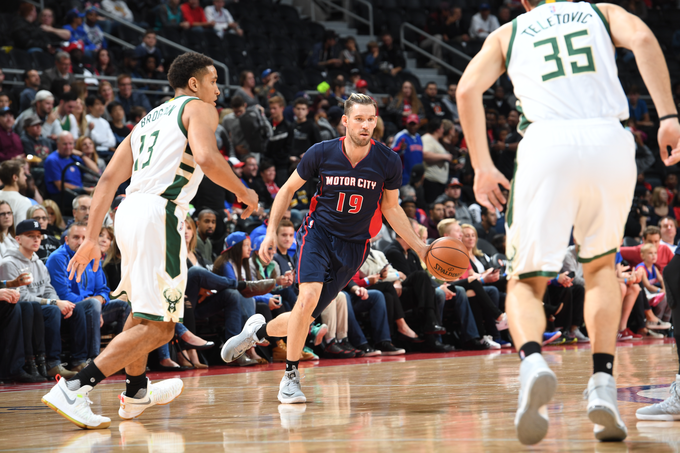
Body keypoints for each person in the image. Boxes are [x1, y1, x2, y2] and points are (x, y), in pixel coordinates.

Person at [457, 0, 680, 444]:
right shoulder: (600, 12)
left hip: (547, 142)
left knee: (525, 280)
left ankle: (534, 362)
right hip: (609, 141)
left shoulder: (510, 32)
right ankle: (602, 385)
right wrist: (669, 116)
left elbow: (466, 90)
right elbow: (643, 39)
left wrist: (482, 165)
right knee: (599, 269)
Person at [42, 52, 258, 429]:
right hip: (160, 212)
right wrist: (245, 192)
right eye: (213, 81)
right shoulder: (199, 108)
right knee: (162, 325)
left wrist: (93, 236)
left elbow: (108, 179)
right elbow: (207, 159)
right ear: (194, 83)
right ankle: (75, 387)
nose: (218, 90)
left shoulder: (146, 120)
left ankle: (137, 389)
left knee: (144, 313)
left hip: (128, 211)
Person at [221, 93, 429, 404]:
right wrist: (270, 233)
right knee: (306, 299)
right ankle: (290, 377)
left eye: (371, 119)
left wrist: (422, 248)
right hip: (317, 234)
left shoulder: (388, 160)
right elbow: (288, 189)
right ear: (345, 120)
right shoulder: (321, 152)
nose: (366, 125)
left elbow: (392, 209)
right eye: (359, 118)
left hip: (355, 247)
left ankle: (258, 333)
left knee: (302, 316)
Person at [0, 219, 79, 379]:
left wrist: (57, 302)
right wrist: (55, 302)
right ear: (18, 239)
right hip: (21, 307)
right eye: (31, 236)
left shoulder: (38, 263)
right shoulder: (8, 263)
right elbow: (22, 296)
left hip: (35, 307)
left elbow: (49, 289)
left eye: (38, 236)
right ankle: (33, 362)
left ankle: (52, 363)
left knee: (60, 310)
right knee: (39, 307)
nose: (36, 239)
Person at [44, 131, 94, 198]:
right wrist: (85, 190)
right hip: (63, 195)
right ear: (58, 144)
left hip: (79, 192)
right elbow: (60, 186)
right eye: (65, 144)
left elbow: (95, 170)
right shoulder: (52, 159)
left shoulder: (74, 157)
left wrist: (82, 155)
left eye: (70, 143)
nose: (68, 147)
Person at [392, 115, 423, 186]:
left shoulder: (419, 137)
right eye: (410, 124)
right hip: (404, 177)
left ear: (418, 125)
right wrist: (399, 149)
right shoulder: (401, 136)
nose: (412, 126)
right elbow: (391, 154)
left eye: (414, 124)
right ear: (406, 124)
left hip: (417, 178)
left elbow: (421, 157)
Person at [0, 160, 32, 227]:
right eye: (23, 174)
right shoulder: (23, 201)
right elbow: (21, 231)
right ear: (15, 177)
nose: (25, 177)